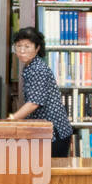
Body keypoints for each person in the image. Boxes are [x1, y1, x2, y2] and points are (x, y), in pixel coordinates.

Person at [7, 27, 73, 158]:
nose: (22, 50)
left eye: (27, 46)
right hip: (45, 131)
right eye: (18, 46)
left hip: (54, 133)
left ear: (37, 48)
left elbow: (34, 103)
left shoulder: (38, 69)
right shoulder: (30, 66)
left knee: (51, 175)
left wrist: (11, 119)